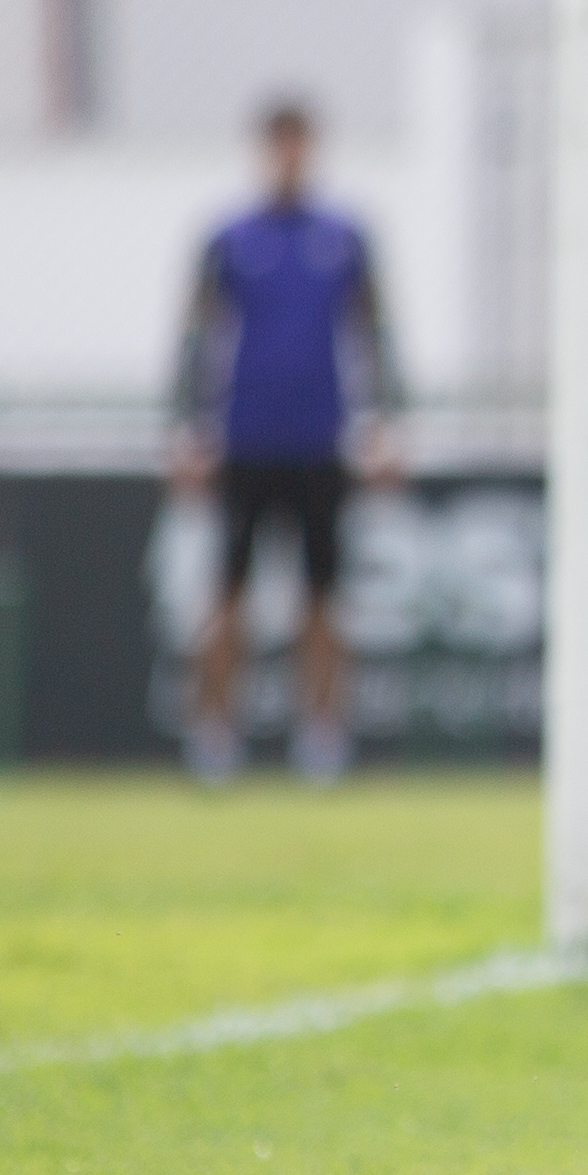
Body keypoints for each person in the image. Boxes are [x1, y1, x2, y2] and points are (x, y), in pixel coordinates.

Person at [170, 96, 404, 785]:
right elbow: (195, 334)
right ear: (261, 149)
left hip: (320, 441)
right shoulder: (230, 238)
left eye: (298, 143)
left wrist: (384, 423)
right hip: (245, 439)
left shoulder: (345, 235)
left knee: (323, 597)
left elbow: (375, 332)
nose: (288, 156)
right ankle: (214, 737)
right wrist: (187, 429)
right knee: (227, 595)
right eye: (277, 144)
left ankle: (322, 737)